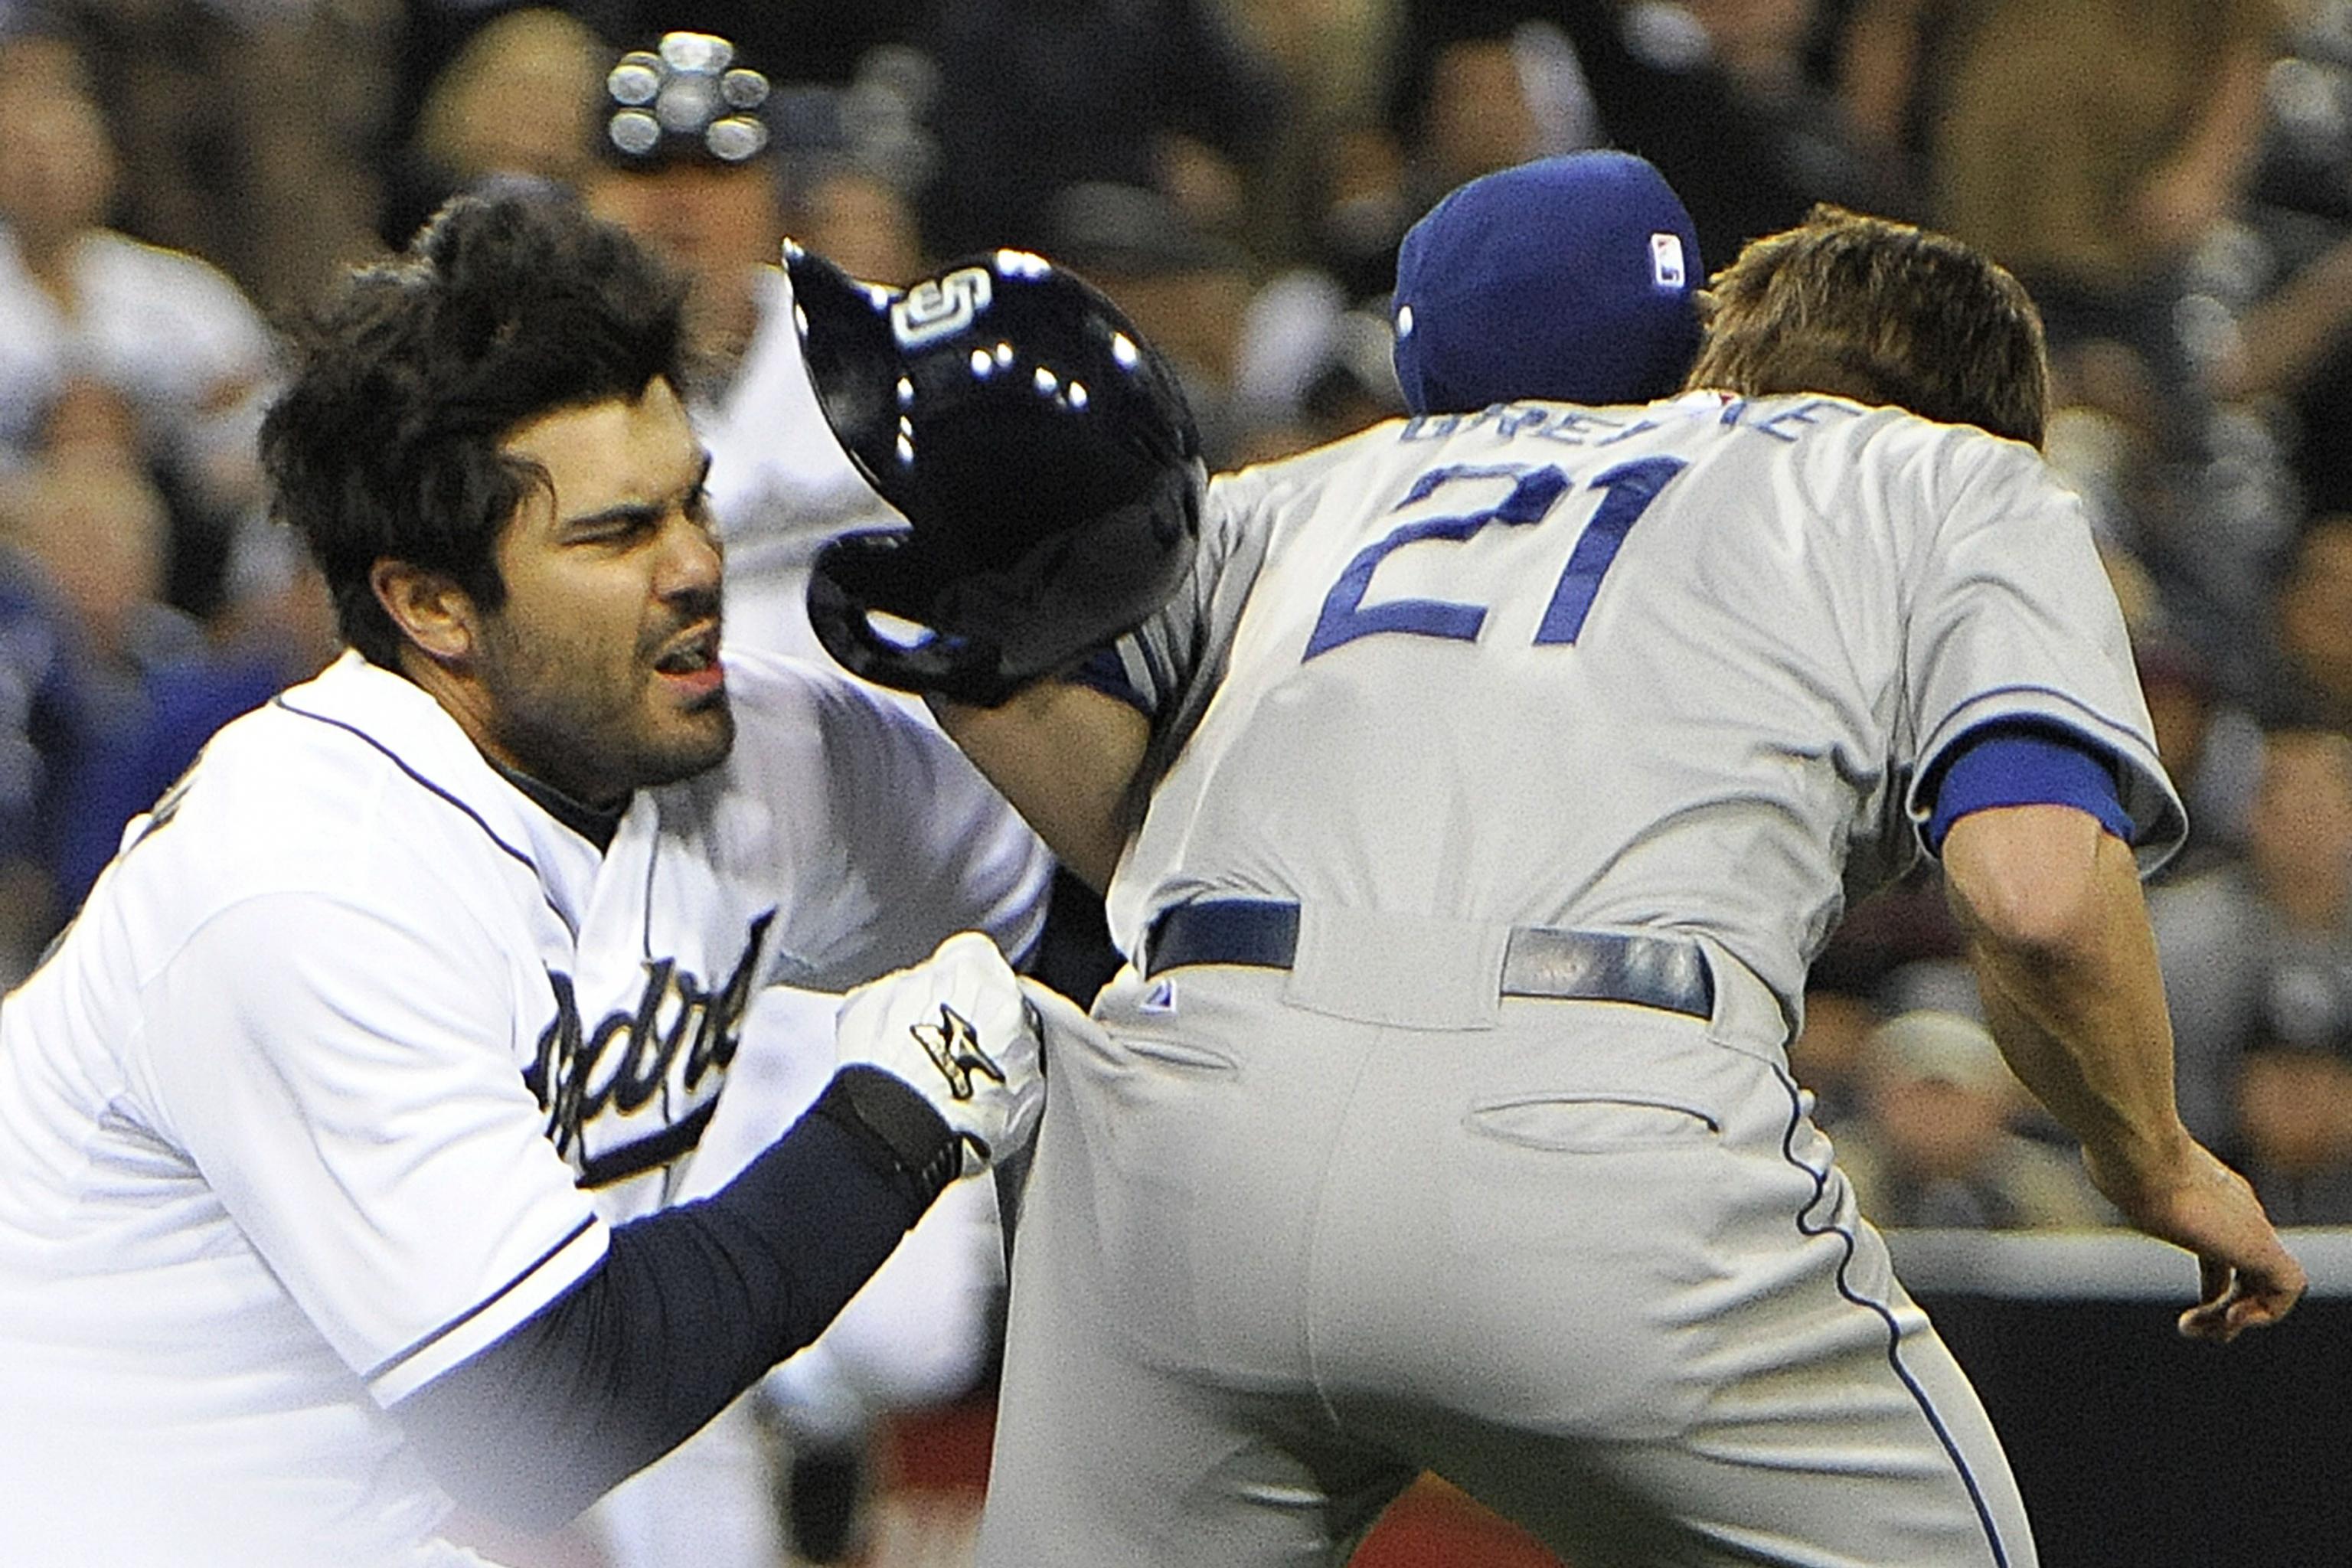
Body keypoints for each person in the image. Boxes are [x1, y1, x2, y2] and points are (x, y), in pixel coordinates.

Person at [789, 162, 2307, 1564]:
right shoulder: (1939, 480)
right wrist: (2156, 1161)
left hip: (1171, 1131)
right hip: (1594, 1144)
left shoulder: (1303, 492)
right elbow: (2036, 899)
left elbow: (1075, 765)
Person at [0, 188, 1073, 1568]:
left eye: (693, 501)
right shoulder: (305, 883)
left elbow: (1074, 916)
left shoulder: (746, 749)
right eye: (616, 536)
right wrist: (897, 1114)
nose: (698, 566)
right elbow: (553, 1413)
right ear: (431, 603)